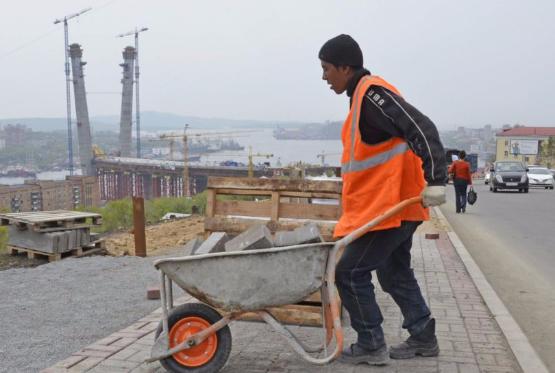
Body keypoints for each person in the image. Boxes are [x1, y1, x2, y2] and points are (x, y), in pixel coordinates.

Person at [318, 34, 447, 365]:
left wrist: (436, 178)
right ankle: (423, 338)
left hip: (394, 208)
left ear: (345, 68)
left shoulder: (372, 96)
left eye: (327, 68)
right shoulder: (361, 98)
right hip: (391, 208)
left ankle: (371, 343)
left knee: (348, 273)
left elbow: (421, 125)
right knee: (394, 272)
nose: (324, 77)